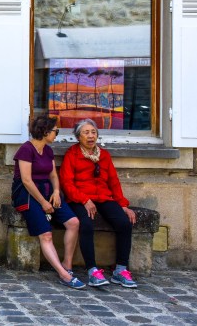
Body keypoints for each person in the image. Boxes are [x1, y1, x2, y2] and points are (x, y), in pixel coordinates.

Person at [59, 118, 138, 288]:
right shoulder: (72, 154)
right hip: (80, 198)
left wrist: (123, 205)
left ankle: (120, 270)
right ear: (78, 137)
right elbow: (66, 183)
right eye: (86, 133)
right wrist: (84, 200)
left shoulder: (104, 155)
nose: (90, 136)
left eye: (93, 132)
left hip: (103, 197)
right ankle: (92, 270)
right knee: (86, 224)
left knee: (124, 223)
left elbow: (114, 182)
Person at [12, 115, 84, 289]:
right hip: (28, 193)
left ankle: (67, 264)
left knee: (74, 222)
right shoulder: (26, 150)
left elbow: (52, 175)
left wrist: (57, 192)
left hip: (48, 191)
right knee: (46, 234)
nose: (56, 134)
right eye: (55, 131)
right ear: (44, 132)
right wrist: (44, 202)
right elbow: (27, 180)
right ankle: (63, 274)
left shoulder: (48, 150)